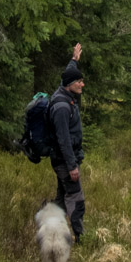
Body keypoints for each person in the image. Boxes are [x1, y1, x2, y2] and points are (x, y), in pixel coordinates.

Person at [48, 41, 85, 242]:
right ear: (70, 85)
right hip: (64, 161)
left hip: (64, 160)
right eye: (79, 82)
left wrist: (74, 60)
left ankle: (51, 230)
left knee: (62, 197)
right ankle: (80, 237)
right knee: (76, 197)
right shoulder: (61, 107)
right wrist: (72, 166)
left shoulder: (64, 89)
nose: (82, 84)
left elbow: (69, 73)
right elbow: (63, 140)